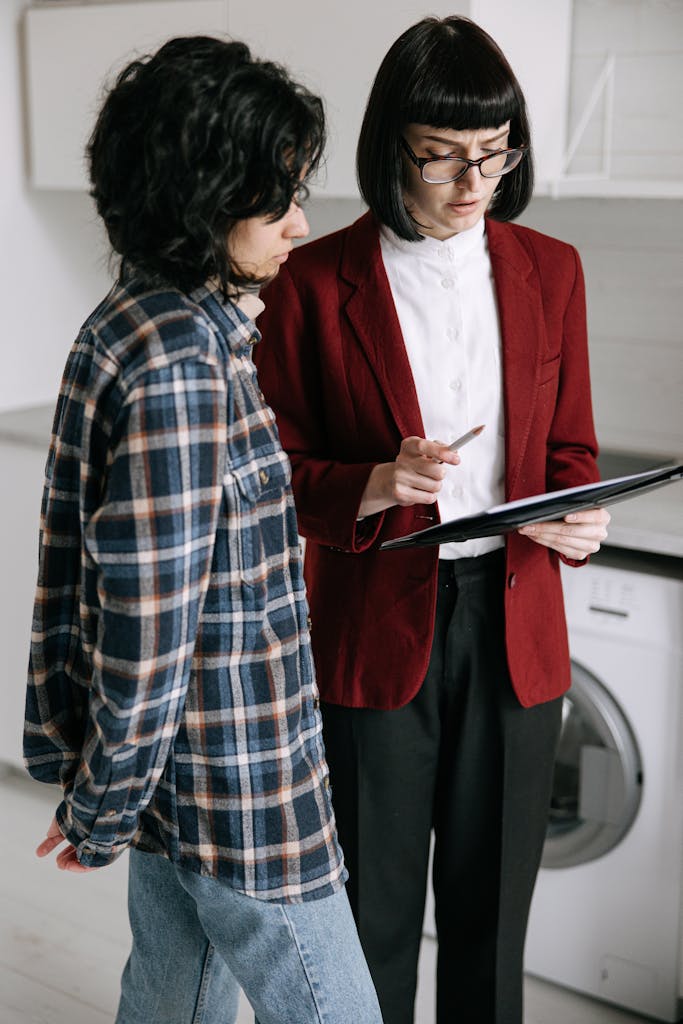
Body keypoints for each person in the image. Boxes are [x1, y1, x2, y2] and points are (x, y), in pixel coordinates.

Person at [253, 15, 610, 1024]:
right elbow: (271, 471)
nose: (470, 184)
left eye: (492, 156)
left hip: (513, 626)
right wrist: (372, 480)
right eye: (440, 157)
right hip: (374, 630)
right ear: (388, 148)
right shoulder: (313, 281)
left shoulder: (552, 269)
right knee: (366, 922)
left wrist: (572, 517)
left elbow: (571, 450)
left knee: (491, 927)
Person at [22, 35, 383, 1024]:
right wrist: (100, 806)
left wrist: (115, 789)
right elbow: (148, 623)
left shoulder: (136, 320)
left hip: (181, 782)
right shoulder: (185, 364)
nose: (300, 224)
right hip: (243, 781)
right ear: (199, 203)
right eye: (277, 200)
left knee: (168, 999)